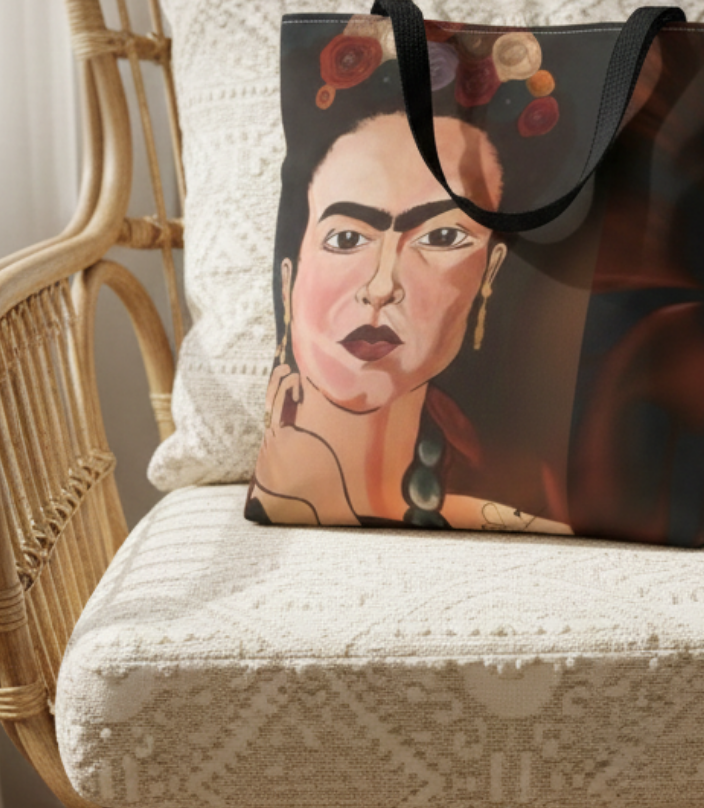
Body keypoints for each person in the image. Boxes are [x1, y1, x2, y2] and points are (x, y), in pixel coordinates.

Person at [245, 107, 571, 534]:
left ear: (488, 273)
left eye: (441, 237)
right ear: (288, 278)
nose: (382, 286)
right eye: (346, 238)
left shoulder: (519, 491)